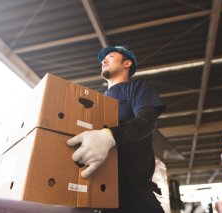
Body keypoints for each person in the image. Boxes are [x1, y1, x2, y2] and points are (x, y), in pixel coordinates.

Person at [67, 46, 166, 213]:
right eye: (103, 59)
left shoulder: (137, 88)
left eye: (111, 56)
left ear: (127, 63)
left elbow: (146, 121)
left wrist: (110, 136)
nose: (104, 60)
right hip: (96, 189)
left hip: (133, 192)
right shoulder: (96, 101)